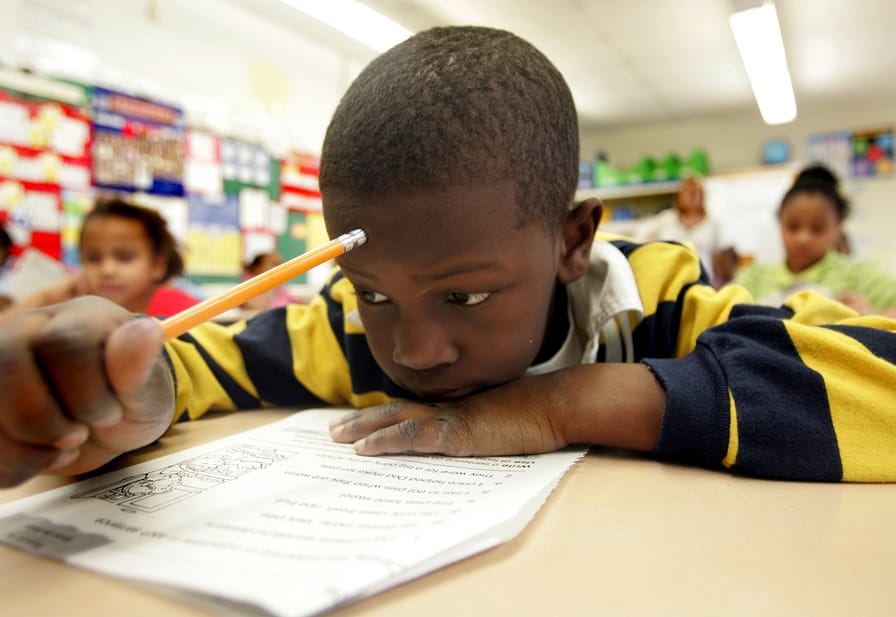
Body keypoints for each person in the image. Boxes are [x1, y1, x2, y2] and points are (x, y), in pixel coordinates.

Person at [1, 26, 896, 491]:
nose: (413, 348)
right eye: (374, 294)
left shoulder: (654, 301)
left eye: (466, 297)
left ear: (571, 242)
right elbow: (200, 360)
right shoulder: (353, 333)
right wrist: (124, 392)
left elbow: (880, 376)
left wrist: (555, 407)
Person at [1, 197, 200, 319]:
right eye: (94, 258)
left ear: (157, 266)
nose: (107, 270)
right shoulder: (73, 310)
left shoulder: (181, 310)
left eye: (124, 257)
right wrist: (45, 298)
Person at [732, 171, 896, 317]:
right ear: (780, 223)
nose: (803, 239)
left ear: (837, 228)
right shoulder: (753, 278)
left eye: (817, 229)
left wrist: (872, 316)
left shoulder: (858, 275)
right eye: (793, 227)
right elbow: (724, 314)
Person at [637, 176, 721, 280]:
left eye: (696, 193)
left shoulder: (712, 223)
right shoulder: (666, 219)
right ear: (680, 196)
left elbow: (719, 256)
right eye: (688, 193)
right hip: (670, 279)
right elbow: (640, 234)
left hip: (703, 281)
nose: (692, 197)